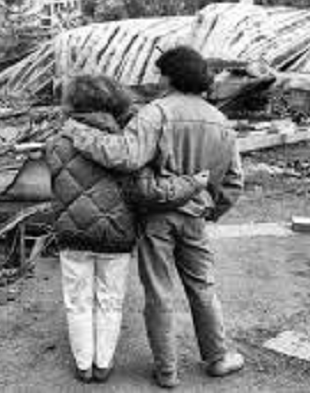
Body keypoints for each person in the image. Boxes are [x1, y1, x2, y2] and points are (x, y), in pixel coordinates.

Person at [64, 46, 245, 388]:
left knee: (159, 293)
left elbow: (124, 156)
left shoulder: (155, 113)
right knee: (203, 287)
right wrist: (210, 209)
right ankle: (218, 358)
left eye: (161, 73)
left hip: (157, 218)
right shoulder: (220, 120)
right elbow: (235, 180)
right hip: (196, 216)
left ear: (171, 76)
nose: (157, 79)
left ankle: (167, 371)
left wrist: (77, 131)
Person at [46, 74, 206, 385]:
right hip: (116, 236)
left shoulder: (56, 142)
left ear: (73, 102)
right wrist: (193, 183)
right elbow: (145, 192)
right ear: (114, 101)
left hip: (71, 234)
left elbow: (55, 186)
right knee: (110, 299)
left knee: (77, 300)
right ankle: (103, 364)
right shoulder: (128, 144)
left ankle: (83, 365)